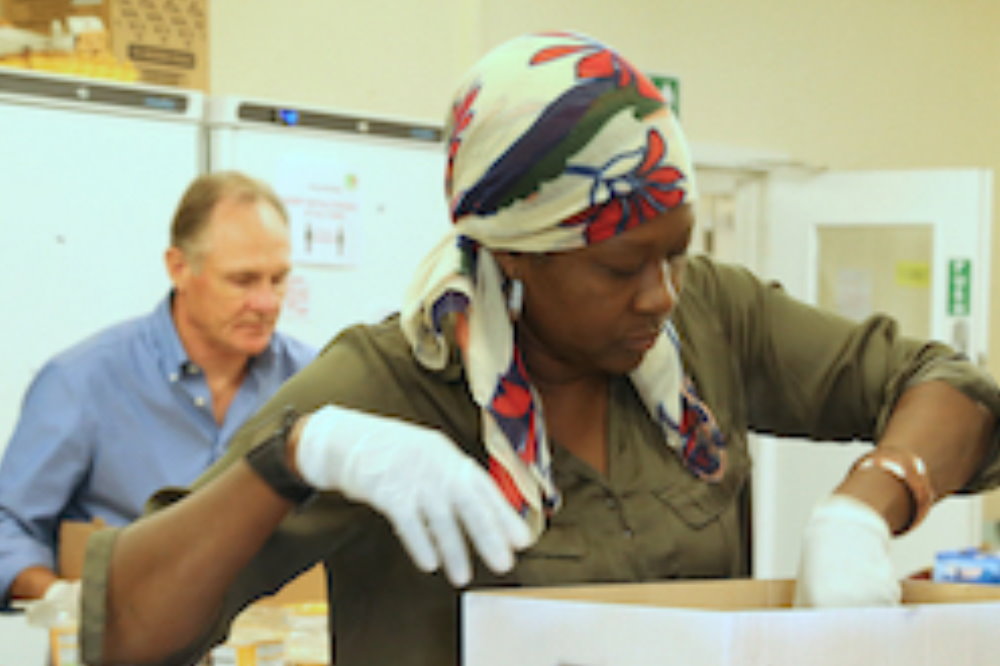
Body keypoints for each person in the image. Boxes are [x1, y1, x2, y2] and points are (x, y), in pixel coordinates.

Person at [78, 32, 1000, 666]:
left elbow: (950, 385)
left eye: (676, 255)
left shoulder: (707, 323)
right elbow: (127, 636)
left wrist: (867, 508)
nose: (660, 295)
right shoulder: (391, 385)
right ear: (514, 250)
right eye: (619, 268)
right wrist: (294, 455)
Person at [0, 170, 316, 606]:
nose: (266, 303)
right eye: (242, 280)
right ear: (179, 268)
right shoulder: (84, 381)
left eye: (278, 279)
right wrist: (58, 599)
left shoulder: (311, 382)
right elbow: (8, 525)